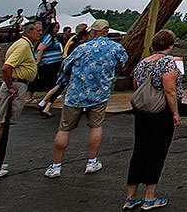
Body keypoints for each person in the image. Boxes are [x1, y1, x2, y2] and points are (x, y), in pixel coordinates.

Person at [44, 19, 127, 178]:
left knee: (64, 128)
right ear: (107, 32)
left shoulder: (82, 48)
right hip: (100, 93)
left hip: (76, 93)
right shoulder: (116, 48)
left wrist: (62, 83)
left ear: (94, 31)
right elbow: (123, 63)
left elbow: (65, 66)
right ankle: (92, 161)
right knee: (96, 127)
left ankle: (56, 166)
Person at [124, 29, 183, 210]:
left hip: (142, 111)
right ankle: (149, 197)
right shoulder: (168, 63)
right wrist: (175, 113)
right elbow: (170, 91)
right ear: (170, 45)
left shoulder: (142, 63)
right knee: (156, 151)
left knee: (139, 149)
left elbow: (136, 85)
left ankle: (131, 197)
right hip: (161, 111)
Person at [0, 20, 42, 178]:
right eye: (38, 30)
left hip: (18, 84)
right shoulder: (23, 46)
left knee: (5, 125)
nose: (40, 33)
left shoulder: (24, 45)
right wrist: (11, 86)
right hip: (15, 85)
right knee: (1, 125)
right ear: (29, 31)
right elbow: (7, 67)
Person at [39, 23, 90, 116]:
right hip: (70, 67)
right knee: (62, 86)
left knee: (60, 86)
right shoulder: (77, 45)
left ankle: (44, 103)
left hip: (65, 64)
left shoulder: (73, 40)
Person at [30, 24, 64, 105]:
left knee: (52, 80)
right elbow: (40, 49)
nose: (58, 29)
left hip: (54, 62)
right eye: (56, 27)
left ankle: (49, 97)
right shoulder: (48, 37)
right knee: (51, 81)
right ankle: (48, 98)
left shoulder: (54, 37)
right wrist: (38, 62)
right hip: (48, 63)